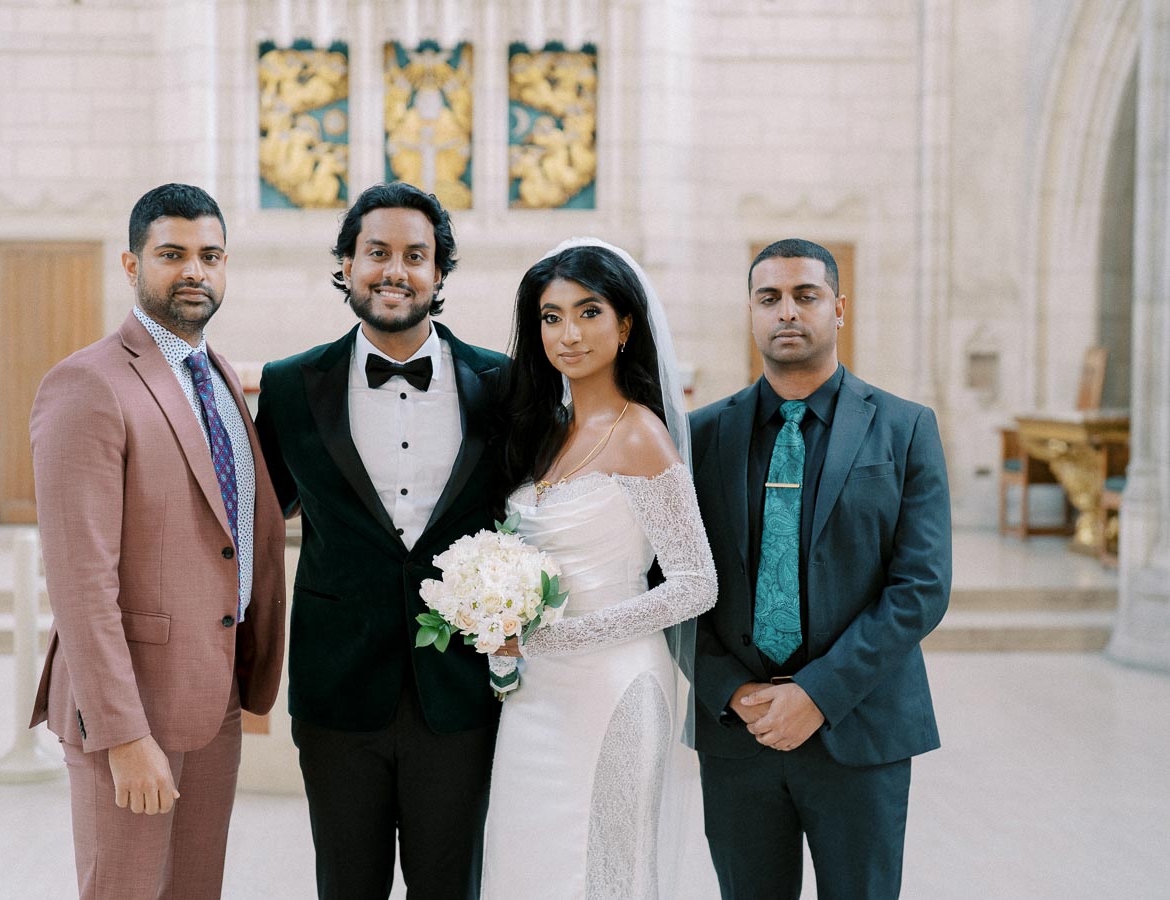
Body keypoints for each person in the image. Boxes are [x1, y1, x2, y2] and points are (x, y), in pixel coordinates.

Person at [29, 183, 287, 899]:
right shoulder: (87, 383)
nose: (193, 271)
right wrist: (122, 734)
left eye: (210, 255)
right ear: (131, 263)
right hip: (132, 710)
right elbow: (82, 584)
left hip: (216, 699)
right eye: (172, 254)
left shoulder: (223, 379)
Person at [255, 181, 509, 900]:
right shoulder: (287, 386)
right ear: (345, 262)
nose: (395, 269)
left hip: (458, 695)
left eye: (415, 255)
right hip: (338, 691)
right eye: (377, 252)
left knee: (451, 887)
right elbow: (250, 522)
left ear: (440, 273)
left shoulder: (502, 385)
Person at [689, 238, 951, 900]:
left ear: (838, 309)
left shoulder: (904, 428)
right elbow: (674, 584)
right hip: (738, 733)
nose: (786, 312)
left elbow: (920, 588)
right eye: (768, 298)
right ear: (750, 312)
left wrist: (817, 694)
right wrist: (730, 691)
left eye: (805, 296)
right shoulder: (699, 436)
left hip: (860, 729)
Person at [482, 238, 718, 898]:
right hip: (534, 695)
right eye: (551, 317)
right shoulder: (546, 432)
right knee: (523, 857)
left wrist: (570, 636)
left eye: (588, 312)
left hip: (614, 686)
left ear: (626, 326)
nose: (569, 333)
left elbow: (697, 581)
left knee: (603, 866)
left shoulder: (640, 432)